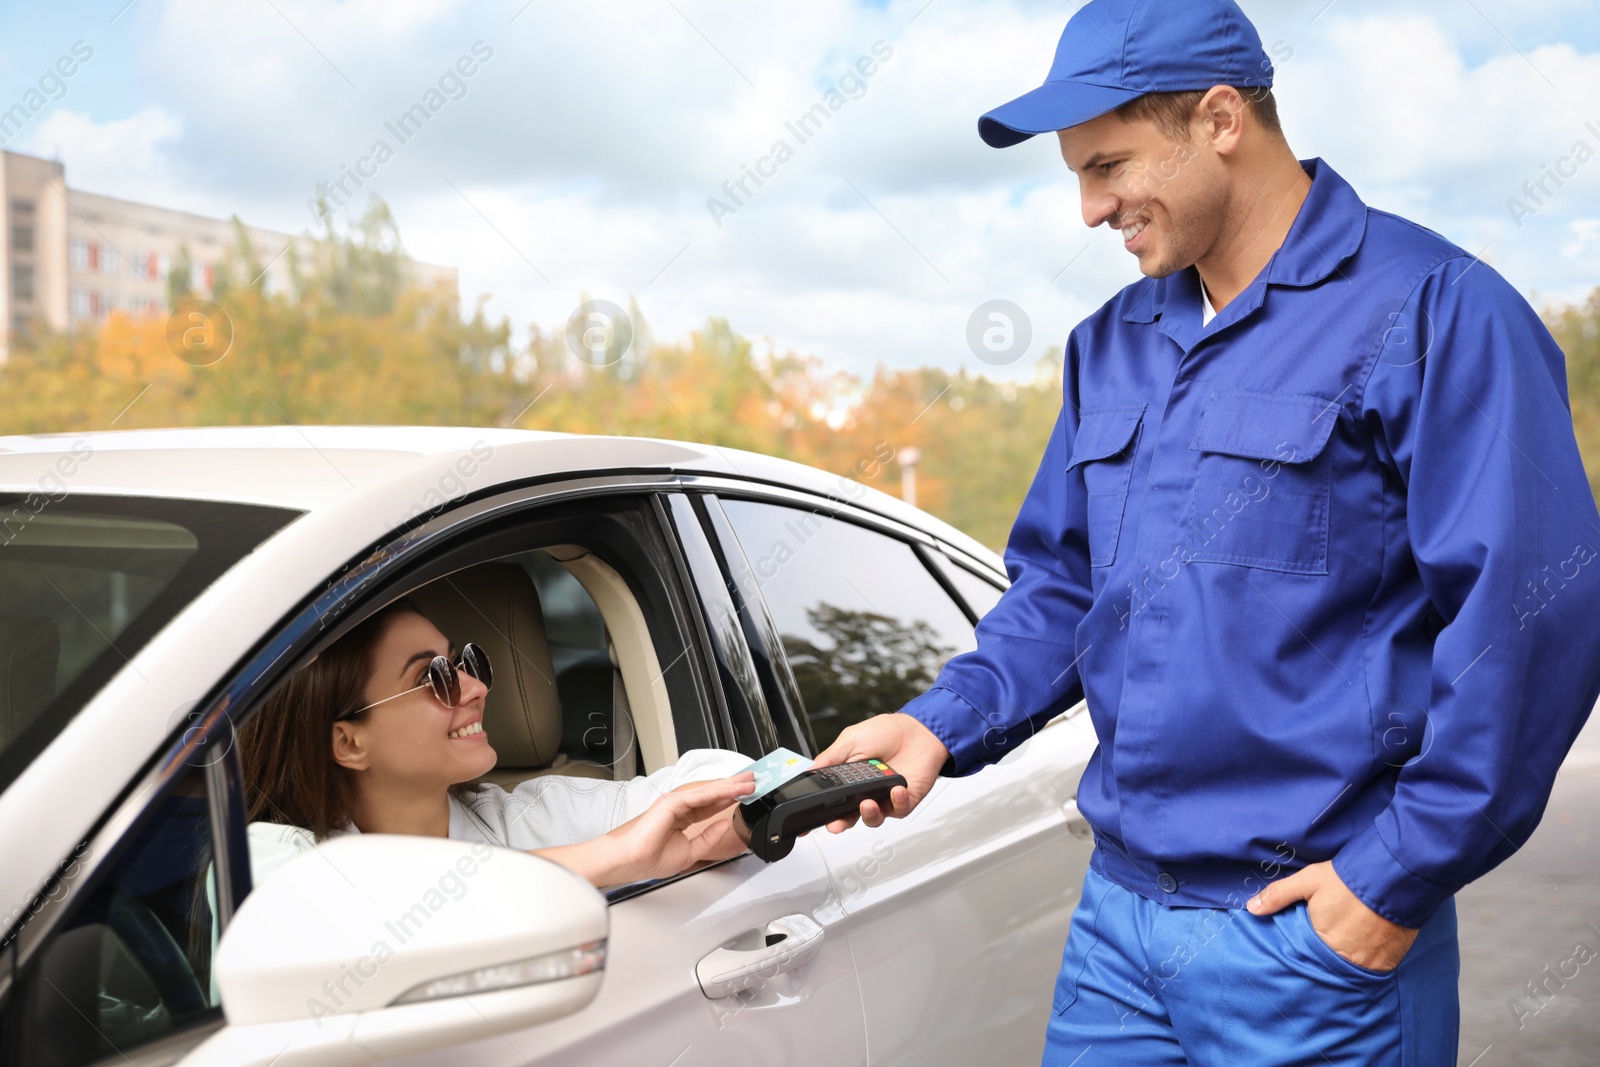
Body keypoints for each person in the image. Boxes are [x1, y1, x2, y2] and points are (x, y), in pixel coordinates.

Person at [811, 1, 1600, 1064]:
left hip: (1307, 937)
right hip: (1118, 930)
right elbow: (1062, 584)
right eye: (1077, 176)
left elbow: (1532, 611)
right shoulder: (1110, 344)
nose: (1090, 209)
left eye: (1108, 166)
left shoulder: (1435, 312)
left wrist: (1394, 876)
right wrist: (940, 722)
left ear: (1220, 118)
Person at [237, 597, 755, 890]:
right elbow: (381, 919)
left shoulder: (525, 816)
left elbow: (699, 787)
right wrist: (615, 856)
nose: (477, 686)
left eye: (463, 662)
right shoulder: (268, 860)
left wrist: (804, 779)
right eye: (431, 677)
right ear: (348, 743)